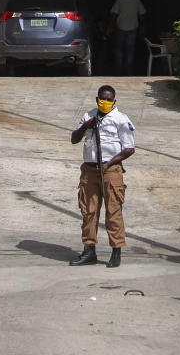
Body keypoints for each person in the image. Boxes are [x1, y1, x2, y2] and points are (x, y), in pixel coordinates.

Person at [69, 85, 136, 268]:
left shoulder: (121, 119)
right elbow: (74, 139)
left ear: (114, 101)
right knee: (88, 210)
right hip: (90, 171)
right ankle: (89, 250)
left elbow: (129, 148)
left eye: (108, 99)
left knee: (113, 211)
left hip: (110, 170)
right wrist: (85, 126)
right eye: (101, 99)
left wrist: (110, 162)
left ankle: (116, 250)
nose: (104, 102)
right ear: (96, 99)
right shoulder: (88, 116)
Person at [109, 0, 146, 75]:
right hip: (133, 27)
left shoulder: (120, 0)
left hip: (121, 27)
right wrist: (142, 26)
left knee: (119, 50)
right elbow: (142, 14)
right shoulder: (136, 0)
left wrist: (111, 26)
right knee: (130, 51)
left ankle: (118, 72)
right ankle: (129, 72)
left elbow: (113, 14)